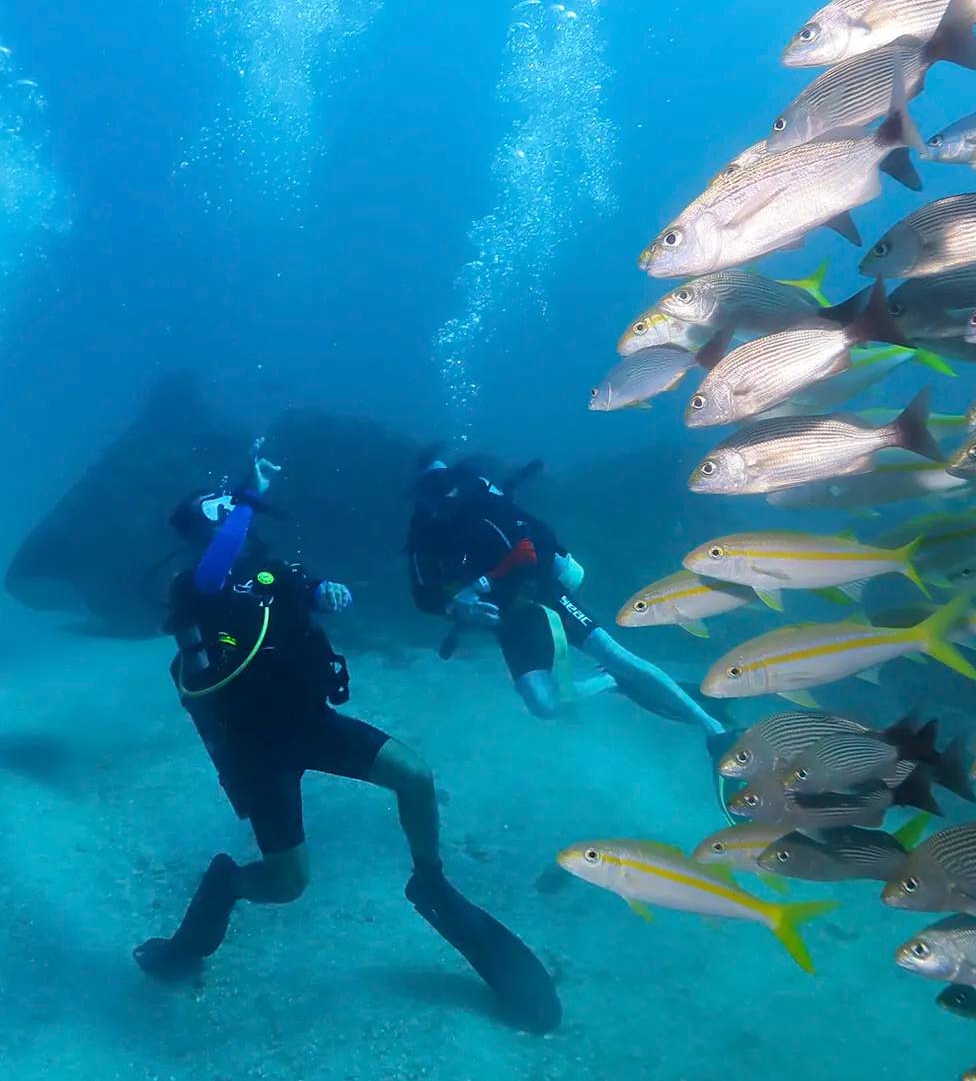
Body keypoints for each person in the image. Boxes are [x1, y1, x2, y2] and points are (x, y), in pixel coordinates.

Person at [134, 440, 560, 1031]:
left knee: (415, 776)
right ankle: (227, 883)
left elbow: (316, 591)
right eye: (222, 509)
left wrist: (334, 593)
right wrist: (249, 496)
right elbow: (213, 576)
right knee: (287, 885)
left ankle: (430, 880)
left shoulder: (272, 571)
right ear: (205, 527)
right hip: (255, 748)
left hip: (311, 722)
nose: (234, 514)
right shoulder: (192, 585)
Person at [407, 454, 731, 756]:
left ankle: (713, 728)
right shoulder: (422, 535)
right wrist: (454, 608)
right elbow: (424, 595)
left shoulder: (487, 508)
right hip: (508, 621)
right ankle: (610, 682)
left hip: (543, 595)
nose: (440, 497)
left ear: (455, 481)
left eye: (443, 485)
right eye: (428, 491)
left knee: (616, 655)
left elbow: (534, 553)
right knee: (544, 706)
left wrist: (481, 586)